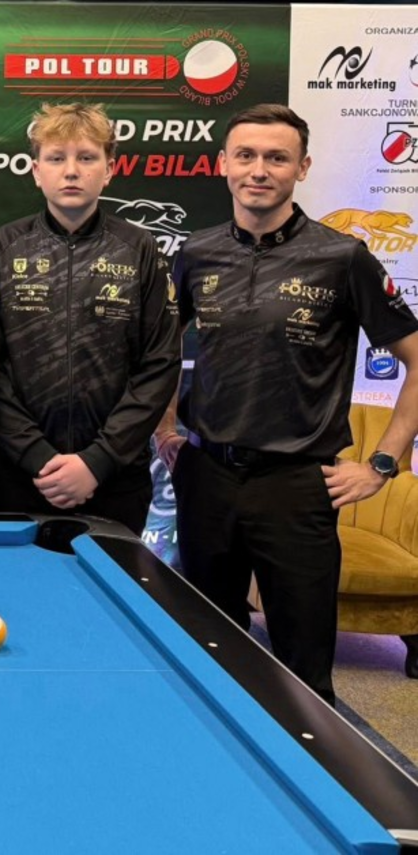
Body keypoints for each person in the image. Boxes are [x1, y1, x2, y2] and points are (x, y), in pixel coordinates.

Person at [155, 104, 418, 702]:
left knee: (303, 669)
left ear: (302, 167)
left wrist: (382, 464)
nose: (259, 170)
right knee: (208, 648)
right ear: (223, 164)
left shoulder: (343, 257)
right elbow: (162, 350)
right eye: (246, 155)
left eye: (277, 157)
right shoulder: (196, 253)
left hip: (298, 486)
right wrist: (166, 431)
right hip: (206, 477)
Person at [0, 103, 180, 534]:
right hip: (19, 475)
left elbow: (159, 365)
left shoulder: (139, 249)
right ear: (36, 171)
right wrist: (37, 456)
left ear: (109, 170)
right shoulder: (4, 246)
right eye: (57, 158)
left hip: (114, 478)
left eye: (86, 157)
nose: (71, 171)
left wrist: (98, 461)